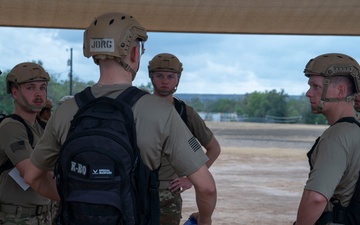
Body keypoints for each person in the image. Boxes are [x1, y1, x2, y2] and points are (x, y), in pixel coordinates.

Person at [24, 12, 217, 225]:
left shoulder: (65, 110)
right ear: (134, 53)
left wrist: (85, 197)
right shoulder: (161, 111)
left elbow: (32, 176)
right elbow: (206, 187)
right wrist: (204, 219)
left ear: (94, 54)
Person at [148, 53, 221, 224]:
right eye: (159, 76)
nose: (165, 81)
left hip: (168, 192)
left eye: (171, 76)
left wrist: (190, 179)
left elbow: (214, 148)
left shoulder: (185, 113)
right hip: (139, 185)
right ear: (151, 77)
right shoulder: (140, 107)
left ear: (178, 79)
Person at [294, 53, 360, 225]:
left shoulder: (336, 137)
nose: (308, 93)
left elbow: (316, 197)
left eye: (316, 87)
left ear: (340, 91)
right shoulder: (355, 130)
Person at [0, 62, 52, 224]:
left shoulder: (43, 128)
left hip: (44, 215)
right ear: (15, 92)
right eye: (30, 88)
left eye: (42, 88)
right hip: (16, 217)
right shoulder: (10, 127)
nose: (38, 94)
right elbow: (30, 174)